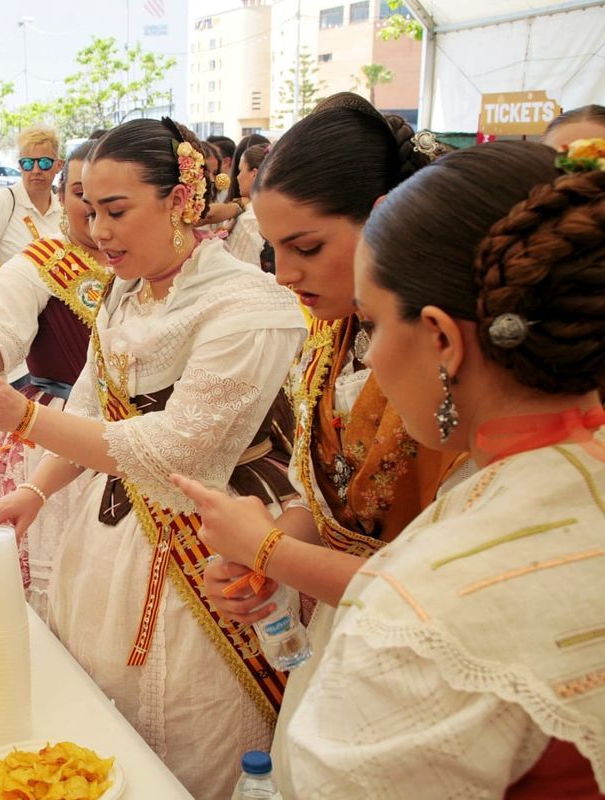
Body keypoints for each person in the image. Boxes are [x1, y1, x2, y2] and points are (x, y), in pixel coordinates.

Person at [178, 139, 605, 797]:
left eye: (374, 324)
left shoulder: (423, 613)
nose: (371, 357)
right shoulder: (563, 466)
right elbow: (330, 501)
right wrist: (275, 547)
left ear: (442, 339)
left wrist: (266, 547)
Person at [0, 118, 306, 798]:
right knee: (102, 718)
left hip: (213, 549)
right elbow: (92, 407)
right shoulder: (126, 292)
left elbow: (181, 449)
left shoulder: (248, 304)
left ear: (179, 201)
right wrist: (39, 491)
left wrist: (26, 418)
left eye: (116, 211)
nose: (101, 231)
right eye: (88, 211)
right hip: (108, 541)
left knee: (194, 734)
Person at [168, 93, 466, 795]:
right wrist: (270, 551)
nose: (282, 273)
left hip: (431, 646)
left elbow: (434, 591)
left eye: (307, 248)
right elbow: (322, 488)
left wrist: (270, 550)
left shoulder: (449, 357)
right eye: (273, 249)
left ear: (392, 217)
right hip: (345, 625)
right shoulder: (332, 334)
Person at [0, 138, 110, 615]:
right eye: (82, 193)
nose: (95, 211)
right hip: (53, 436)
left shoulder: (153, 264)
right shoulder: (43, 260)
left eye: (110, 200)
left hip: (138, 433)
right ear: (64, 196)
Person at [0, 125, 63, 264]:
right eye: (27, 163)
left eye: (44, 163)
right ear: (19, 167)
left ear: (59, 165)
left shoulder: (63, 208)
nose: (36, 170)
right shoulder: (2, 201)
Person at [224, 144, 269, 268]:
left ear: (254, 174)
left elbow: (242, 271)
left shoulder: (249, 219)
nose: (237, 177)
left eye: (240, 170)